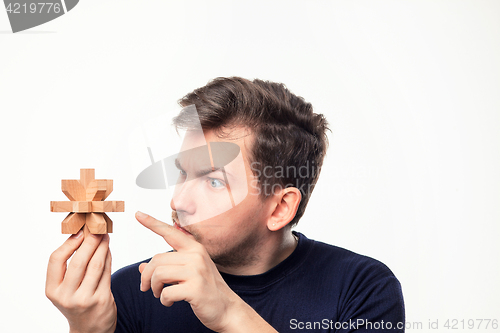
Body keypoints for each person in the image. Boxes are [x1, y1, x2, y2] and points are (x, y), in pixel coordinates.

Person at [46, 77, 405, 332]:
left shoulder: (362, 289)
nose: (178, 201)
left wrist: (231, 314)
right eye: (183, 173)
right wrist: (86, 329)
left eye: (214, 180)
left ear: (280, 208)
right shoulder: (131, 291)